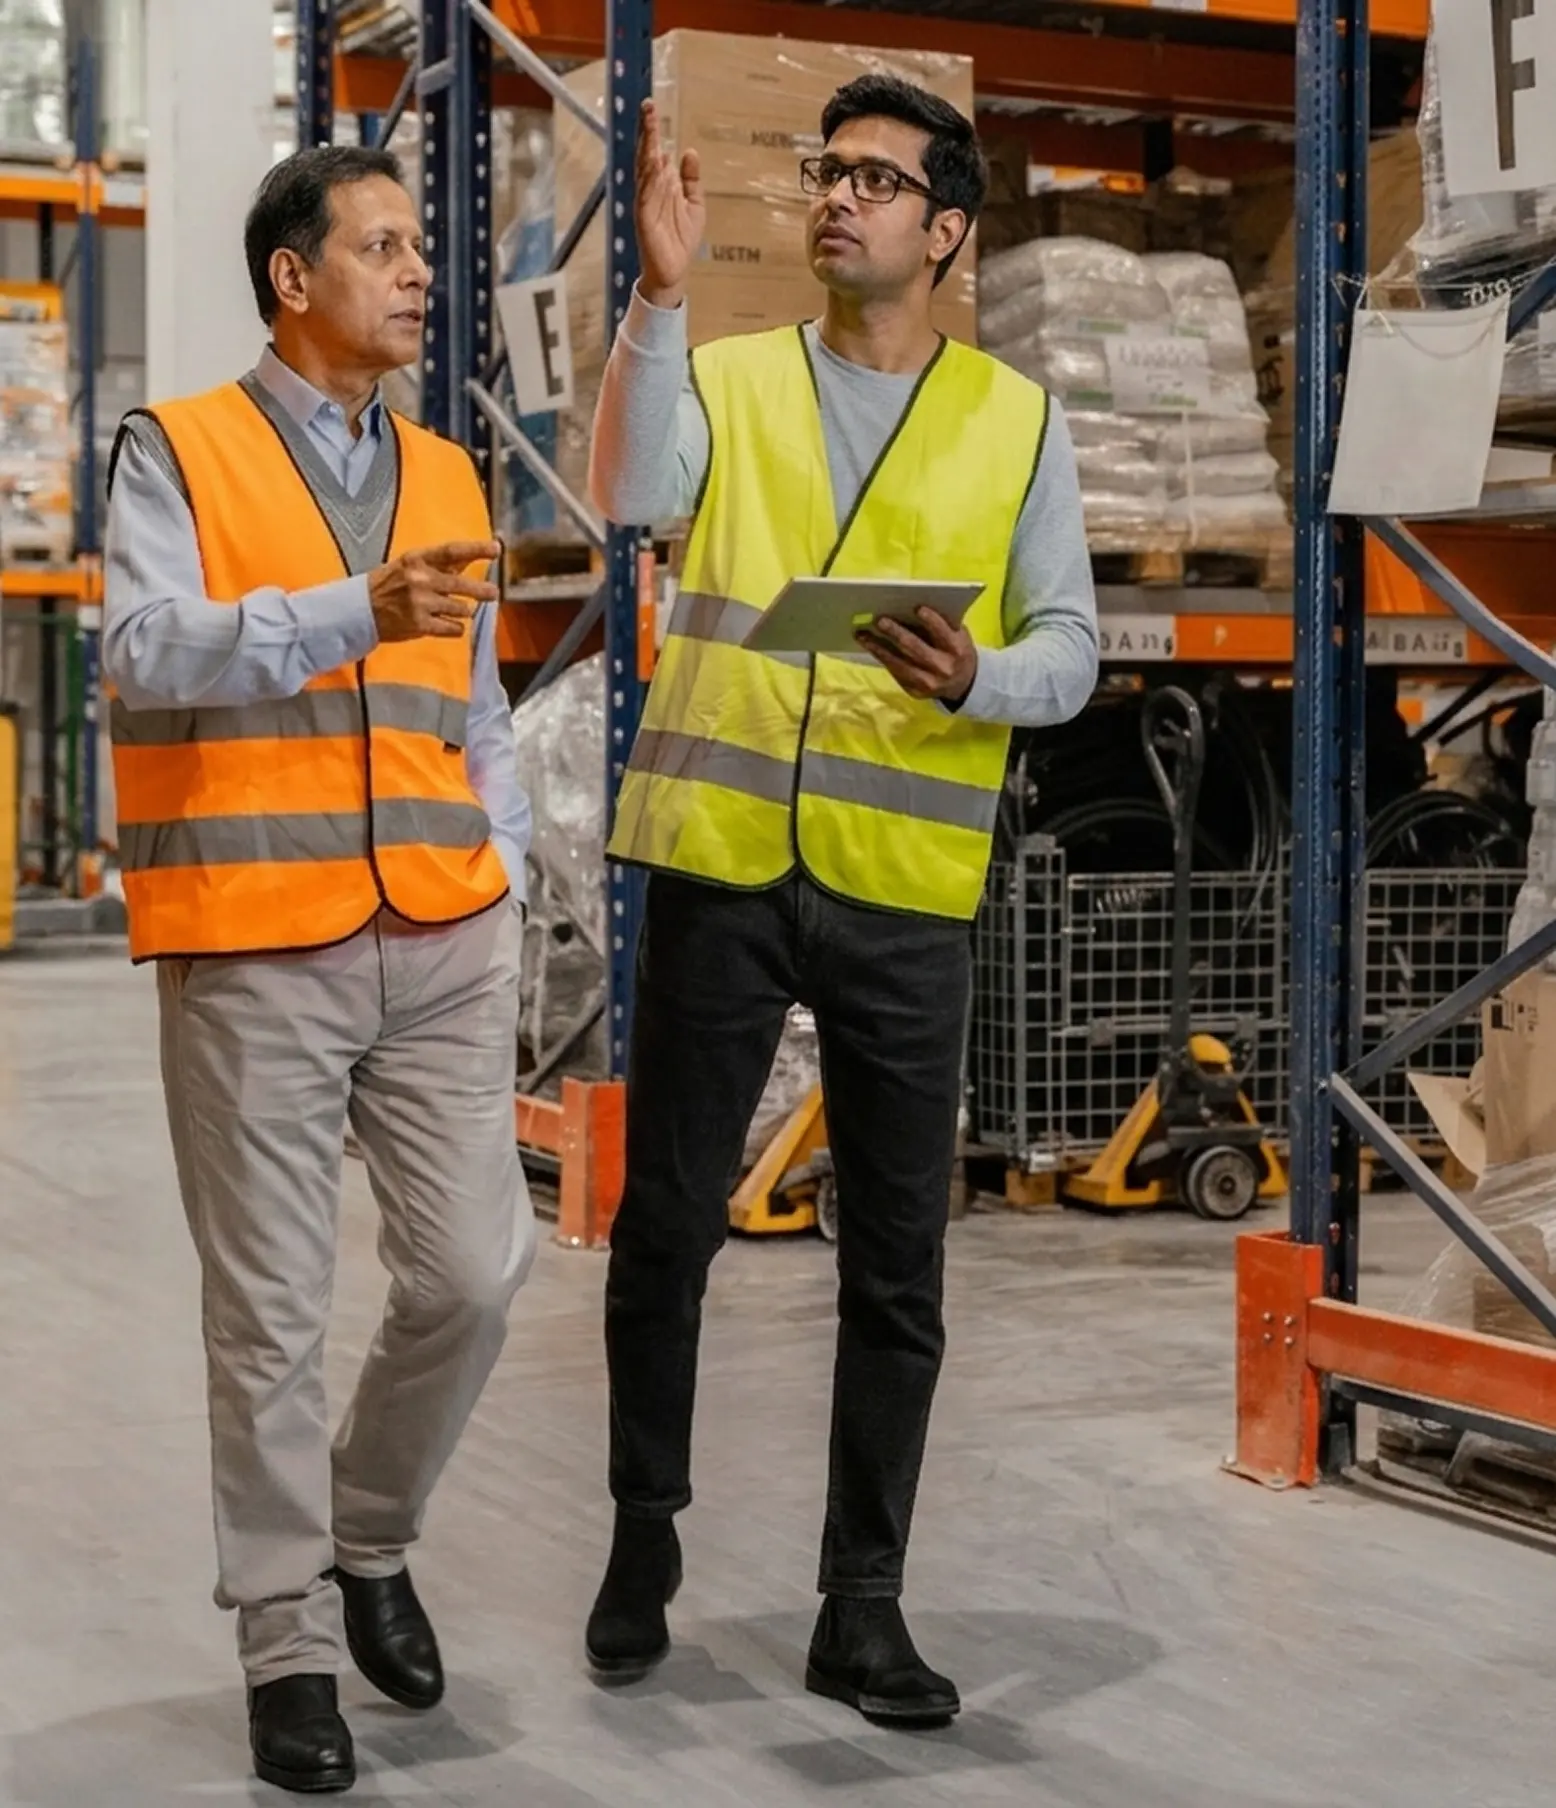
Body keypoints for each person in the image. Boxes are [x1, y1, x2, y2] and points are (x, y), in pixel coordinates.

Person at [584, 75, 1099, 1727]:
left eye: (876, 179)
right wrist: (658, 295)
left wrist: (979, 677)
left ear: (947, 232)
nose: (837, 196)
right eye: (829, 170)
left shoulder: (1014, 421)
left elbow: (1073, 648)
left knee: (896, 1269)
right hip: (723, 860)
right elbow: (628, 493)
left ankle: (860, 1609)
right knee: (668, 1227)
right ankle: (642, 1533)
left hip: (901, 893)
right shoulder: (731, 375)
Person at [103, 145, 536, 1796]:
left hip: (441, 934)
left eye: (422, 246)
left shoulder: (449, 473)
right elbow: (143, 649)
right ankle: (286, 1642)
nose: (420, 272)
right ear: (294, 279)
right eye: (383, 246)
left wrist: (503, 872)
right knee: (272, 1317)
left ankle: (370, 1531)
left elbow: (476, 710)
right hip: (252, 942)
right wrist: (351, 606)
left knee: (474, 1275)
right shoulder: (180, 448)